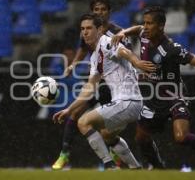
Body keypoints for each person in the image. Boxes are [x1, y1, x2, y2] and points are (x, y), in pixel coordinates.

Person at [111, 6, 195, 170]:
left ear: (160, 26)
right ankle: (159, 168)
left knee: (181, 137)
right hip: (155, 97)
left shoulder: (171, 48)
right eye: (145, 23)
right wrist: (123, 32)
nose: (145, 27)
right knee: (141, 138)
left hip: (174, 95)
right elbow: (138, 29)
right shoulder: (144, 35)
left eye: (150, 24)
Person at [53, 13, 156, 169]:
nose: (85, 32)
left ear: (99, 29)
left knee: (83, 122)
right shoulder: (94, 57)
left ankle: (109, 166)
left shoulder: (106, 42)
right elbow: (89, 89)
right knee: (107, 134)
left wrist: (137, 62)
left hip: (127, 101)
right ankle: (136, 169)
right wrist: (69, 109)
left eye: (89, 28)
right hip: (126, 103)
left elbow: (123, 51)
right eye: (82, 29)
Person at [51, 0, 131, 170]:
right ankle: (64, 155)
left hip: (113, 85)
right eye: (96, 9)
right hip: (95, 79)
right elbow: (82, 49)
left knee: (106, 128)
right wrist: (74, 64)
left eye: (103, 9)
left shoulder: (118, 33)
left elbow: (127, 57)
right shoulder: (89, 30)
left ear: (109, 12)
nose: (99, 12)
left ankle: (114, 158)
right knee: (75, 114)